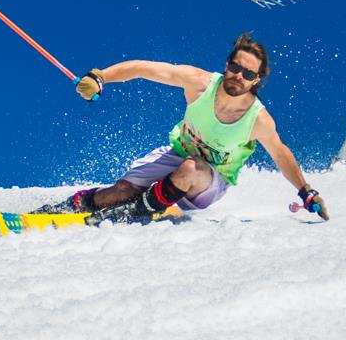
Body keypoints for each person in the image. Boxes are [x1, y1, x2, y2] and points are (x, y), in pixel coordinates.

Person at [37, 33, 327, 221]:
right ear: (227, 65)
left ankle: (140, 210)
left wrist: (306, 191)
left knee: (190, 169)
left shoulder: (258, 120)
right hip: (176, 154)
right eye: (236, 68)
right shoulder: (199, 84)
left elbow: (280, 154)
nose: (239, 76)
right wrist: (100, 77)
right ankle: (74, 206)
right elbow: (145, 68)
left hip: (209, 181)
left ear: (256, 80)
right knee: (121, 190)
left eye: (248, 73)